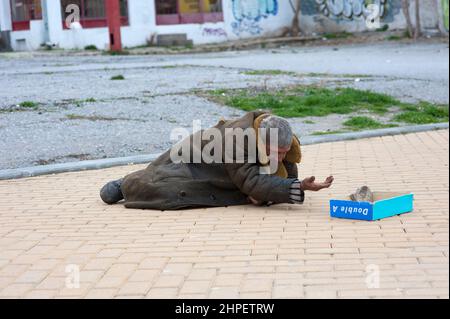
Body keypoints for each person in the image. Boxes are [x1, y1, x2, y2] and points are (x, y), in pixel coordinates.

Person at [100, 111, 334, 210]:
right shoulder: (238, 138)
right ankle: (124, 183)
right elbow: (252, 182)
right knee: (163, 189)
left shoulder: (278, 135)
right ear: (263, 143)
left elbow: (283, 174)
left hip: (223, 171)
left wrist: (284, 187)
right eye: (277, 152)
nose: (282, 157)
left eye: (285, 152)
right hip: (192, 160)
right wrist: (298, 187)